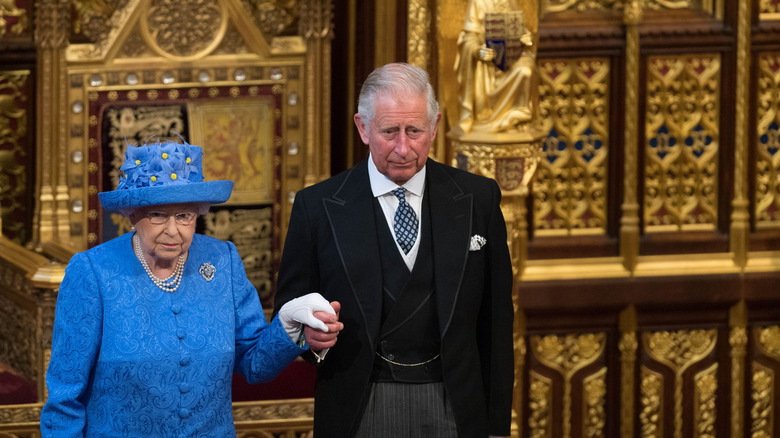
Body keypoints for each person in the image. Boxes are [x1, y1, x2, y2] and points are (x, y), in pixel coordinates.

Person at [40, 138, 342, 437]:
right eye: (157, 214)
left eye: (184, 215)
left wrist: (288, 324)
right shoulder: (93, 272)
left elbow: (255, 364)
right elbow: (65, 397)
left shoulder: (222, 260)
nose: (173, 230)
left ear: (198, 213)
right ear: (132, 214)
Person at [274, 63, 514, 437]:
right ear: (363, 128)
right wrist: (311, 339)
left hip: (457, 404)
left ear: (433, 127)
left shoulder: (477, 199)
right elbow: (291, 309)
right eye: (389, 131)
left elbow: (497, 324)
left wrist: (497, 428)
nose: (403, 148)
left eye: (415, 130)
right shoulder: (317, 207)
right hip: (360, 405)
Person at [453, 0, 536, 136]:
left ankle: (519, 114)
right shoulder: (478, 3)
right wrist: (478, 51)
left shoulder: (510, 2)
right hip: (486, 67)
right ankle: (487, 120)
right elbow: (469, 39)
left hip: (511, 59)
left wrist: (526, 37)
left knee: (527, 69)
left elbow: (518, 27)